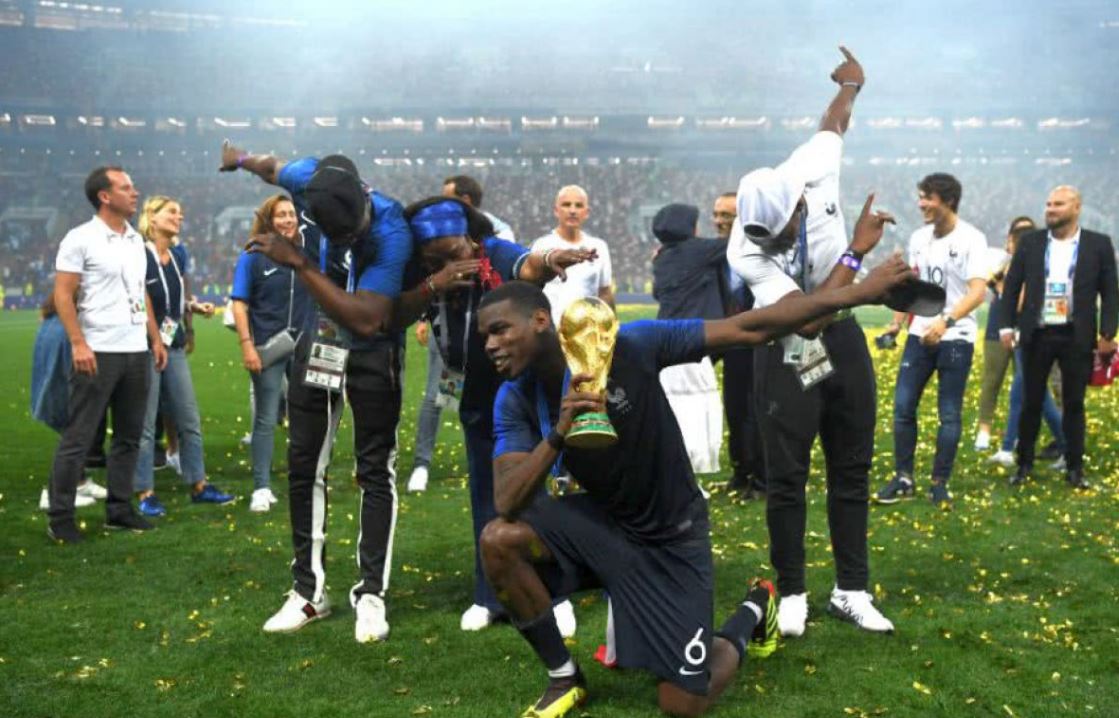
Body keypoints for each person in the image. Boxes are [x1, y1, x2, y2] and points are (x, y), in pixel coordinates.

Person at [477, 251, 911, 717]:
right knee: (499, 539)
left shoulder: (631, 346)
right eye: (485, 336)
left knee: (683, 702)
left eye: (499, 330)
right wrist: (559, 433)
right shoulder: (514, 399)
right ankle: (564, 676)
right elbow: (507, 500)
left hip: (672, 537)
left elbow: (751, 327)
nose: (490, 345)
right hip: (605, 531)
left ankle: (752, 610)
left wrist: (860, 292)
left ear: (541, 320)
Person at [726, 47, 895, 637]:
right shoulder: (744, 248)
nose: (773, 246)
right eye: (764, 240)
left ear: (798, 202)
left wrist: (851, 84)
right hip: (785, 347)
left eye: (782, 235)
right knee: (787, 476)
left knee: (852, 466)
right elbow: (804, 320)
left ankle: (852, 590)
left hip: (843, 339)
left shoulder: (813, 164)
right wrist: (857, 254)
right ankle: (793, 591)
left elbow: (834, 124)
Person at [220, 141, 412, 642]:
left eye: (347, 234)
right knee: (305, 462)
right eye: (330, 235)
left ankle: (371, 594)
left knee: (375, 468)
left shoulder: (391, 228)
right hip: (321, 341)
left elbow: (367, 319)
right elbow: (270, 166)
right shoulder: (307, 178)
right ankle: (308, 591)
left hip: (373, 349)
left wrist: (301, 263)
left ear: (364, 204)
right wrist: (239, 159)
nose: (341, 241)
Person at [394, 196, 594, 633]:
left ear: (469, 237)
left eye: (453, 253)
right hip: (473, 395)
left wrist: (551, 260)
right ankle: (490, 595)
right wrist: (435, 283)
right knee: (486, 492)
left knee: (535, 486)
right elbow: (396, 310)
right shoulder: (428, 273)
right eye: (435, 259)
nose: (448, 263)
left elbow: (529, 266)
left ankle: (556, 592)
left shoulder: (495, 252)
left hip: (523, 388)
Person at [47, 166, 167, 543]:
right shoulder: (80, 238)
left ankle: (119, 510)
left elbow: (140, 292)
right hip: (97, 349)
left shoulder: (134, 240)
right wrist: (78, 343)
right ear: (104, 196)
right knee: (79, 438)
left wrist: (154, 338)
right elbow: (63, 294)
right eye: (125, 187)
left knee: (129, 437)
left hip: (135, 349)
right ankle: (60, 517)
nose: (135, 193)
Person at [874, 174, 989, 507]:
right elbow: (912, 288)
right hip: (919, 334)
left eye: (928, 197)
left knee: (949, 414)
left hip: (956, 337)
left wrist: (946, 321)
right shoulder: (919, 238)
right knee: (902, 408)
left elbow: (977, 292)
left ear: (948, 201)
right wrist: (896, 324)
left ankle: (939, 483)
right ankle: (904, 478)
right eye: (920, 196)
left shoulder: (972, 239)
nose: (921, 203)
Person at [1000, 185, 1118, 489]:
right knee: (1031, 401)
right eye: (1049, 204)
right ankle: (1024, 464)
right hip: (1037, 333)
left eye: (1058, 204)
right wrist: (1005, 326)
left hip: (1076, 334)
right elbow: (1012, 286)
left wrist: (1108, 333)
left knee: (1074, 403)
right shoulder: (1031, 242)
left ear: (1076, 207)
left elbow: (1110, 293)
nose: (1050, 209)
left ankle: (1075, 468)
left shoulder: (1098, 244)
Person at [132, 195, 233, 517]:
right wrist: (155, 341)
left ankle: (199, 485)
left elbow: (172, 299)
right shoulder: (138, 254)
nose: (179, 217)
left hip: (172, 345)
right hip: (146, 348)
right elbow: (142, 300)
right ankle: (145, 492)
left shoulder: (176, 255)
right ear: (152, 217)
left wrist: (193, 307)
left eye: (180, 213)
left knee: (189, 419)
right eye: (172, 212)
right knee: (146, 424)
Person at [230, 194, 312, 512]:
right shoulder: (253, 255)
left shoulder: (307, 253)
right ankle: (261, 488)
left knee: (307, 417)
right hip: (268, 346)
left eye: (291, 214)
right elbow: (240, 303)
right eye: (281, 215)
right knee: (265, 418)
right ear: (268, 220)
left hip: (305, 347)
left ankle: (305, 479)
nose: (288, 220)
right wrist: (247, 345)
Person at [651, 202, 727, 474]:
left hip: (665, 338)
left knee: (673, 402)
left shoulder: (662, 258)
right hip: (690, 340)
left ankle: (673, 460)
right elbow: (736, 244)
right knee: (694, 402)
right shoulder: (699, 250)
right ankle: (692, 462)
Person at [712, 191, 766, 499]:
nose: (718, 221)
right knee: (735, 409)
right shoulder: (712, 254)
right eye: (716, 214)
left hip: (760, 339)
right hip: (732, 341)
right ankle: (740, 472)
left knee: (757, 410)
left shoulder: (761, 250)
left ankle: (762, 479)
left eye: (726, 216)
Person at [32, 293, 107, 510]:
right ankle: (54, 492)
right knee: (73, 435)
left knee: (74, 433)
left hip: (51, 391)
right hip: (61, 393)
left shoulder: (53, 321)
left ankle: (79, 482)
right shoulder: (66, 328)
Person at [975, 217, 1035, 450]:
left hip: (1024, 329)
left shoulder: (1035, 264)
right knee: (992, 380)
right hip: (997, 325)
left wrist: (1004, 289)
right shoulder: (999, 261)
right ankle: (984, 431)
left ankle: (1017, 433)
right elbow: (986, 282)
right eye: (1015, 234)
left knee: (1023, 383)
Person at [531, 185, 615, 324]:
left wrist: (610, 327)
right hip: (551, 331)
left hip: (586, 332)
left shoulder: (599, 247)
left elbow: (604, 292)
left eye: (578, 206)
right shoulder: (542, 246)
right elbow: (532, 291)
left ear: (586, 212)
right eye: (566, 205)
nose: (572, 211)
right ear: (556, 211)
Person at [442, 174, 516, 241]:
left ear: (465, 200)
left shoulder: (500, 231)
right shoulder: (444, 224)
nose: (442, 204)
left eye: (447, 199)